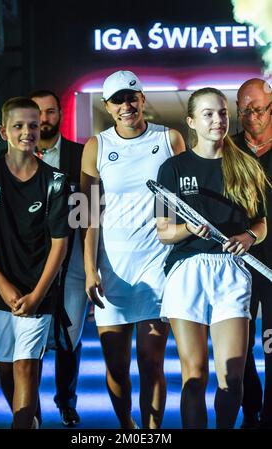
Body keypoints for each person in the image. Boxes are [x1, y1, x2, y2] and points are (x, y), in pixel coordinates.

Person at [156, 87, 269, 429]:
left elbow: (261, 223)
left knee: (231, 377)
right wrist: (189, 228)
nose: (217, 120)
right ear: (191, 121)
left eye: (222, 113)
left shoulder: (247, 166)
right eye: (208, 114)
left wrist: (249, 237)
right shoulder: (172, 168)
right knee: (194, 375)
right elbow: (164, 232)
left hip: (232, 273)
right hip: (187, 272)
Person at [81, 70, 185, 429]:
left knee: (152, 362)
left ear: (142, 99)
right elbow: (88, 212)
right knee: (116, 367)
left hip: (158, 265)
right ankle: (127, 428)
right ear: (108, 107)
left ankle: (153, 434)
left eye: (131, 97)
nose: (126, 105)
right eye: (117, 100)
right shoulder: (97, 146)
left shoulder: (170, 139)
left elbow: (182, 203)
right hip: (112, 270)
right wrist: (90, 268)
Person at [0, 97, 69, 429]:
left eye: (33, 124)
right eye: (19, 125)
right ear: (4, 132)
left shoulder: (56, 181)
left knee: (27, 367)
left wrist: (38, 294)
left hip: (38, 294)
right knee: (7, 369)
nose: (27, 131)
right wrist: (3, 287)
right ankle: (32, 421)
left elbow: (60, 244)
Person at [30, 89, 87, 427]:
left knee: (70, 335)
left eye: (50, 112)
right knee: (32, 337)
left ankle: (66, 401)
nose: (45, 119)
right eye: (38, 112)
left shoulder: (82, 156)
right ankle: (29, 405)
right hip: (30, 262)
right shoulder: (12, 159)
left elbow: (91, 213)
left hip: (75, 260)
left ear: (60, 114)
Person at [233, 78, 272, 429]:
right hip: (239, 263)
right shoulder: (228, 149)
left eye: (258, 109)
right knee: (241, 347)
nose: (252, 116)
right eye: (245, 110)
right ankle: (251, 408)